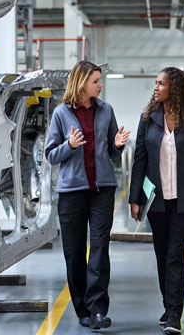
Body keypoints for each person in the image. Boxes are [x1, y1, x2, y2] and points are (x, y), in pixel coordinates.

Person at [44, 60, 130, 330]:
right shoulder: (61, 113)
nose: (100, 85)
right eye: (96, 81)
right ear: (81, 83)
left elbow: (112, 153)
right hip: (72, 192)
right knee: (74, 251)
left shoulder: (106, 110)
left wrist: (116, 146)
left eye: (100, 80)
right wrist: (69, 145)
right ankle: (82, 309)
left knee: (100, 248)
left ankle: (98, 310)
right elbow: (50, 155)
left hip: (102, 189)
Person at [129, 67, 184, 334]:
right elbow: (139, 160)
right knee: (162, 257)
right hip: (156, 201)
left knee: (176, 257)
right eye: (156, 83)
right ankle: (168, 307)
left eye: (161, 83)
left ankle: (174, 315)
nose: (156, 87)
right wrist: (134, 199)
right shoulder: (148, 119)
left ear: (174, 88)